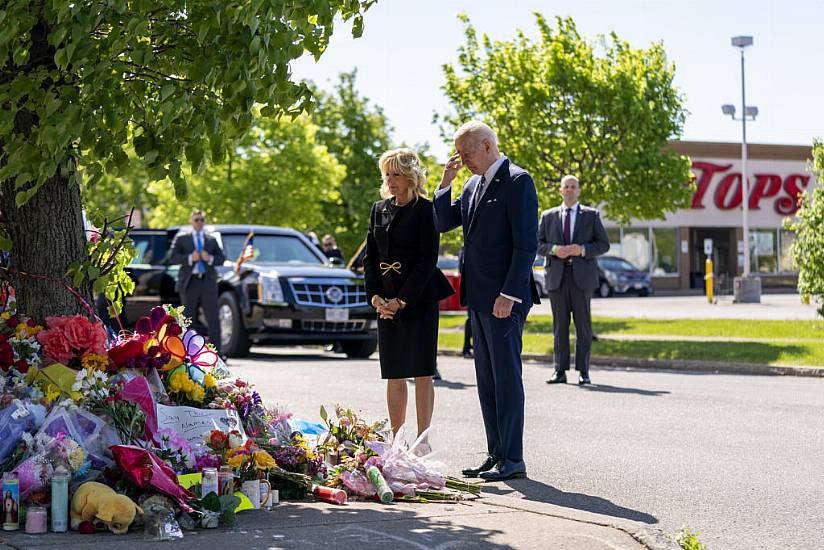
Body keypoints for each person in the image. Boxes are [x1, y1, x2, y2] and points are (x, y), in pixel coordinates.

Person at [434, 121, 539, 482]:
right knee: (487, 380)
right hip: (479, 298)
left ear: (487, 146)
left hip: (504, 299)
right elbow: (443, 221)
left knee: (507, 378)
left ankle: (514, 458)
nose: (462, 160)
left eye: (466, 154)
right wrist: (445, 183)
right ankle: (495, 454)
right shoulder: (471, 183)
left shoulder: (518, 181)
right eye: (458, 155)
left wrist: (509, 294)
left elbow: (527, 245)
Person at [364, 148, 454, 438]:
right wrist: (376, 298)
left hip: (418, 299)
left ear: (411, 177)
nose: (391, 180)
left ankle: (422, 438)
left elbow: (427, 260)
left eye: (397, 174)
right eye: (387, 174)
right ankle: (397, 438)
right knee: (394, 371)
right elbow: (370, 258)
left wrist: (401, 301)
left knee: (422, 371)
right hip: (385, 301)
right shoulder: (379, 209)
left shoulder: (427, 210)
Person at [538, 175, 610, 385]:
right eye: (565, 187)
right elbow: (537, 243)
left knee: (583, 327)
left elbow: (603, 244)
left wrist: (583, 250)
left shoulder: (592, 215)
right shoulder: (548, 216)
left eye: (573, 187)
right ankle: (559, 371)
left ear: (579, 191)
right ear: (560, 191)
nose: (569, 190)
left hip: (582, 278)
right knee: (560, 327)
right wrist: (554, 249)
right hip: (556, 278)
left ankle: (584, 371)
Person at [169, 209, 226, 356]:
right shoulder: (182, 238)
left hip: (208, 282)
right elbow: (173, 257)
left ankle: (217, 353)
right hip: (190, 283)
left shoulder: (211, 239)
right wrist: (190, 258)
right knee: (188, 320)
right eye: (197, 220)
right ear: (191, 221)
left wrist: (210, 258)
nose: (199, 222)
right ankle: (186, 353)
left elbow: (221, 258)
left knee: (213, 318)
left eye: (202, 220)